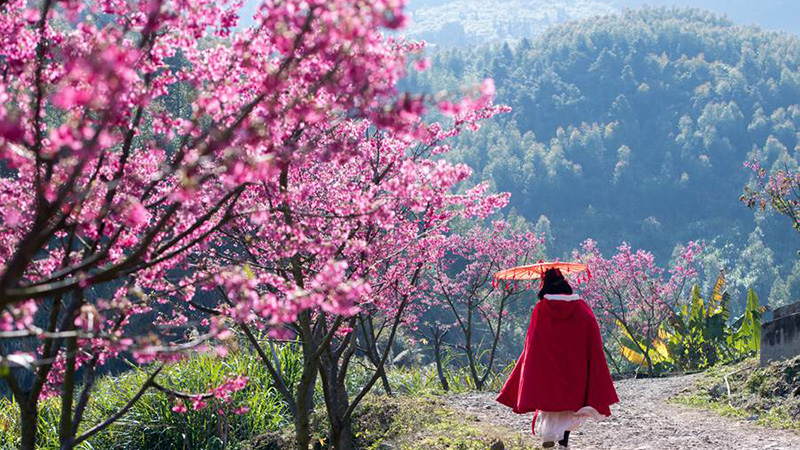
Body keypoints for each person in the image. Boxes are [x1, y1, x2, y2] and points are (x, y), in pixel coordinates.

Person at [495, 268, 619, 449]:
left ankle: (548, 434)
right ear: (565, 286)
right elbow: (592, 335)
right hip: (574, 368)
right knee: (569, 406)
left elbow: (533, 342)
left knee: (550, 401)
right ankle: (563, 443)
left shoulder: (541, 309)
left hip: (548, 368)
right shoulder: (582, 309)